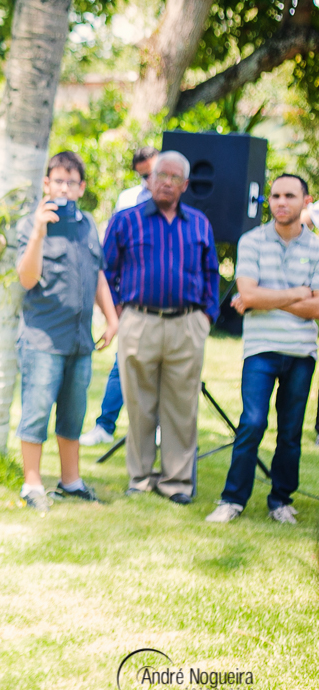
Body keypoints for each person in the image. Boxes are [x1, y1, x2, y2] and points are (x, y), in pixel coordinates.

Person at [105, 150, 219, 505]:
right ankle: (139, 478)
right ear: (149, 180)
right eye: (160, 175)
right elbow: (106, 272)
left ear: (185, 185)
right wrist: (119, 313)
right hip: (139, 321)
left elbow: (211, 273)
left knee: (181, 407)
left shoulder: (199, 223)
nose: (166, 182)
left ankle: (176, 482)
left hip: (186, 324)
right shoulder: (126, 220)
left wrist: (206, 317)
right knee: (139, 404)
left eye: (173, 178)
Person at [206, 174, 319, 524]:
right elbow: (248, 294)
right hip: (260, 349)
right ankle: (232, 499)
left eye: (289, 196)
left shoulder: (316, 247)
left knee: (290, 431)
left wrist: (262, 299)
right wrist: (297, 293)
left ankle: (280, 501)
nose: (281, 202)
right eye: (275, 196)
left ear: (306, 201)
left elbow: (315, 308)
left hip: (302, 352)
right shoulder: (252, 240)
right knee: (252, 423)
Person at [13, 151, 120, 511]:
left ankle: (71, 481)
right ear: (47, 183)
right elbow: (26, 278)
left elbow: (98, 273)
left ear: (81, 187)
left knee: (74, 414)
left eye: (71, 182)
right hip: (43, 338)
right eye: (57, 180)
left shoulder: (87, 223)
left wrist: (111, 316)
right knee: (37, 411)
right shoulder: (31, 225)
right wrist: (39, 232)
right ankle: (32, 485)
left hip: (79, 339)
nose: (64, 187)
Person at [81, 146, 161, 447]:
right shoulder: (128, 200)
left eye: (152, 172)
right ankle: (105, 425)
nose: (148, 180)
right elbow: (113, 253)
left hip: (168, 302)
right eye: (143, 176)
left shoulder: (174, 197)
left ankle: (158, 427)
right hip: (132, 298)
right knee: (122, 364)